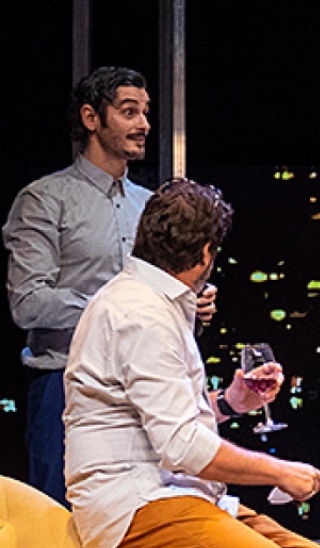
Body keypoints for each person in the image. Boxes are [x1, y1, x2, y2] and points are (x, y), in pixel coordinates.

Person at [64, 179, 320, 548]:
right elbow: (184, 448)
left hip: (175, 494)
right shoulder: (140, 313)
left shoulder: (157, 304)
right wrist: (280, 471)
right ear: (207, 253)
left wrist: (230, 402)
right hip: (133, 504)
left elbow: (162, 418)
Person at [3, 66, 217, 506]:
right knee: (62, 523)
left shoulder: (149, 206)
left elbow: (162, 297)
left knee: (147, 516)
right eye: (129, 112)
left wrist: (191, 303)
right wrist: (121, 310)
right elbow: (28, 302)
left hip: (147, 387)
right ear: (90, 118)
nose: (144, 124)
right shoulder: (45, 199)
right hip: (65, 384)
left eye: (145, 113)